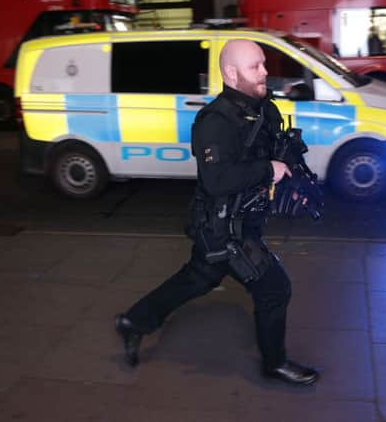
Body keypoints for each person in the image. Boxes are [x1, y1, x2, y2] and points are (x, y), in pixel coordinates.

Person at [114, 39, 319, 386]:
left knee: (198, 277)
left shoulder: (263, 107)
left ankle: (134, 322)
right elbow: (216, 180)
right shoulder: (214, 121)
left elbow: (270, 153)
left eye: (264, 64)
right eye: (255, 66)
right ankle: (275, 363)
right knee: (274, 289)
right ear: (230, 73)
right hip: (224, 227)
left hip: (246, 218)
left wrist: (291, 170)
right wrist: (269, 169)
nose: (265, 72)